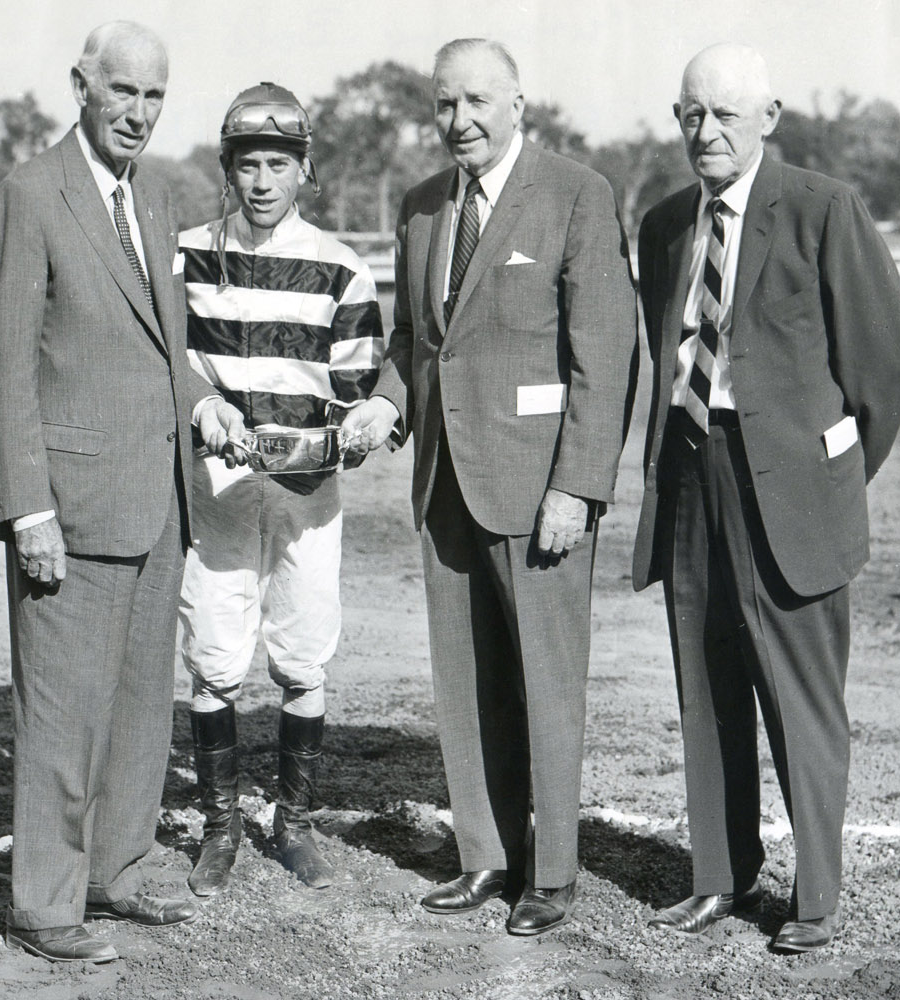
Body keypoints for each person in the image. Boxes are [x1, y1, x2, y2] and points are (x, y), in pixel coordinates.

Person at [342, 38, 637, 936]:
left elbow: (607, 355)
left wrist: (577, 486)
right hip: (445, 485)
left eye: (477, 102)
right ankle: (486, 856)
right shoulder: (423, 207)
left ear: (518, 104)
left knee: (545, 684)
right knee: (466, 681)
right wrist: (385, 409)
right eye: (443, 104)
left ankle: (551, 874)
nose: (459, 121)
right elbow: (414, 342)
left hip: (537, 485)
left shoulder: (577, 194)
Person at [0, 21, 245, 963]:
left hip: (159, 496)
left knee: (137, 709)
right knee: (60, 713)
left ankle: (117, 873)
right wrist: (29, 508)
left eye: (154, 96)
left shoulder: (157, 197)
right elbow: (2, 367)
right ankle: (48, 906)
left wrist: (205, 404)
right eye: (122, 91)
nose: (138, 112)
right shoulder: (29, 193)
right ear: (80, 87)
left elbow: (166, 347)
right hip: (72, 508)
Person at [631, 43, 900, 953]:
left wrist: (826, 482)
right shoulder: (666, 222)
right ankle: (720, 874)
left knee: (800, 699)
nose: (704, 133)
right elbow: (666, 349)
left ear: (769, 117)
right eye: (689, 116)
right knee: (706, 689)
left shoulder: (823, 209)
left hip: (790, 487)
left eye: (723, 116)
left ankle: (816, 898)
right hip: (690, 470)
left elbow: (880, 371)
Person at [174, 83, 383, 895]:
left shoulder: (340, 267)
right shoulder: (186, 254)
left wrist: (357, 429)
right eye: (249, 165)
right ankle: (221, 827)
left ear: (305, 170)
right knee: (216, 658)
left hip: (307, 495)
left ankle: (293, 826)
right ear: (228, 169)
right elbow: (172, 362)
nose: (263, 182)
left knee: (303, 656)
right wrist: (207, 406)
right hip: (217, 493)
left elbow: (359, 387)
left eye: (279, 164)